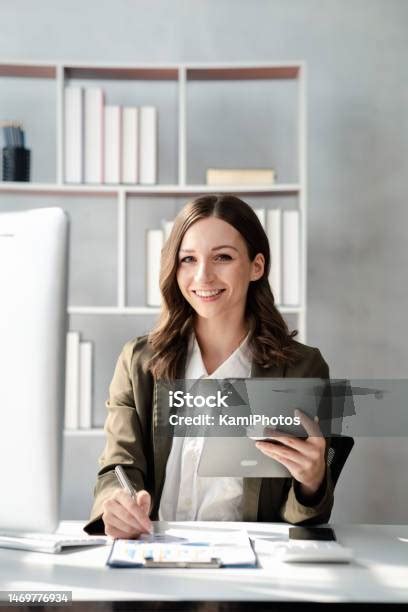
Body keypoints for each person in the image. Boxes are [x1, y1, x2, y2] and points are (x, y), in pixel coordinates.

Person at [84, 194, 333, 537]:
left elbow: (303, 515)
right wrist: (117, 504)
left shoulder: (302, 368)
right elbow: (118, 466)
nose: (203, 275)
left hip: (255, 570)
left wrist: (312, 481)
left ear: (256, 266)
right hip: (153, 556)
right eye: (188, 259)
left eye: (223, 257)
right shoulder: (137, 362)